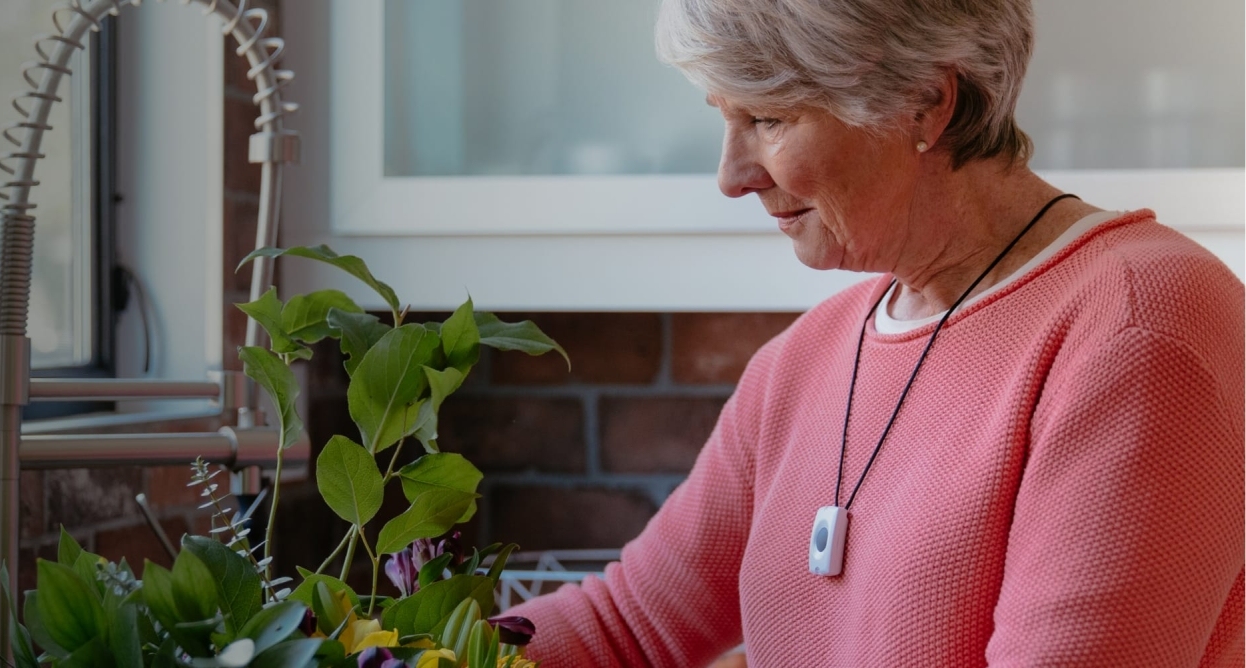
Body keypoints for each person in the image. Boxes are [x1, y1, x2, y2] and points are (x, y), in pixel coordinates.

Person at [506, 0, 1244, 665]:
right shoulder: (807, 358)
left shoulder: (1139, 328)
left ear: (925, 103)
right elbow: (631, 625)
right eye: (723, 117)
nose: (731, 176)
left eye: (768, 119)